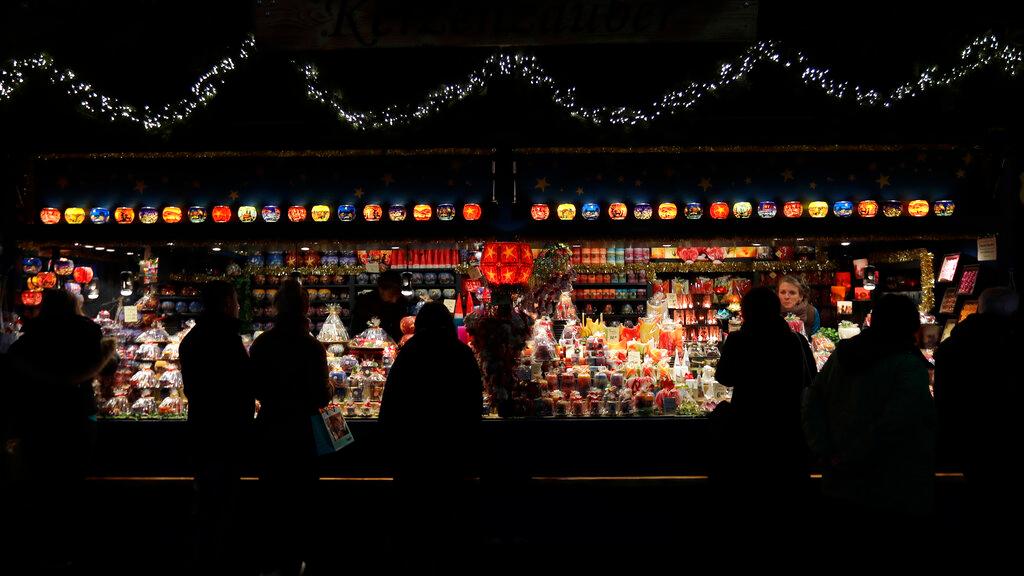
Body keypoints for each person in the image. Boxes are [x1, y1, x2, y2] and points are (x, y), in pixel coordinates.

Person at [802, 294, 935, 538]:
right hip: (892, 486)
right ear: (912, 326)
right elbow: (900, 422)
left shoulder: (843, 356)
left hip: (840, 480)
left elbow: (812, 401)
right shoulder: (908, 365)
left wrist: (824, 449)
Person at [6, 289, 116, 570]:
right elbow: (107, 364)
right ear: (75, 307)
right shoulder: (88, 334)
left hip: (39, 419)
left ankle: (41, 548)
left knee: (42, 484)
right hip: (79, 417)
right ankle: (71, 548)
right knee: (72, 482)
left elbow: (13, 371)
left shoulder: (32, 338)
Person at [378, 301, 482, 570]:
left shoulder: (408, 354)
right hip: (451, 453)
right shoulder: (462, 354)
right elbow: (473, 405)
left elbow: (390, 406)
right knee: (448, 517)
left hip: (412, 455)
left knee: (413, 520)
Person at [713, 287, 817, 523]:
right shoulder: (797, 341)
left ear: (747, 312)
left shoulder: (739, 340)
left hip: (748, 429)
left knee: (749, 498)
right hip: (787, 430)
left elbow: (723, 377)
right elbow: (811, 379)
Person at [250, 279, 332, 576]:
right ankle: (300, 561)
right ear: (306, 307)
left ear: (276, 307)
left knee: (272, 497)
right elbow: (322, 395)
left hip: (271, 428)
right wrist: (331, 389)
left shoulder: (262, 343)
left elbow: (254, 387)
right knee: (302, 499)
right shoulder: (312, 347)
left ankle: (271, 558)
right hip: (303, 431)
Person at [178, 280, 254, 574]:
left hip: (202, 427)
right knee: (223, 500)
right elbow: (243, 383)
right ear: (225, 304)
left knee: (207, 497)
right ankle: (220, 562)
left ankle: (205, 558)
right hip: (227, 431)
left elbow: (194, 390)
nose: (237, 306)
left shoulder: (193, 339)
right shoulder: (226, 339)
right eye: (235, 301)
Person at [934, 287, 1021, 536]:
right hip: (1007, 438)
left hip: (964, 439)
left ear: (980, 308)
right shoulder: (1013, 345)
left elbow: (942, 398)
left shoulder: (952, 346)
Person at [351, 269, 409, 343]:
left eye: (397, 294)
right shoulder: (365, 302)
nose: (394, 300)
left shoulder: (401, 302)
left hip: (395, 345)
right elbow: (356, 330)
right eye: (392, 295)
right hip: (368, 344)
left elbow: (403, 327)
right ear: (381, 289)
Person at [778, 274, 819, 339]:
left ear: (801, 296)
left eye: (792, 293)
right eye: (782, 292)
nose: (786, 297)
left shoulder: (811, 312)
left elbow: (816, 341)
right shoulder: (771, 311)